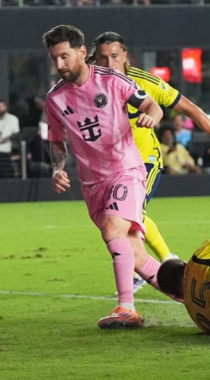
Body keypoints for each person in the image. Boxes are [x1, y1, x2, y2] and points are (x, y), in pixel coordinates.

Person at [89, 31, 210, 289]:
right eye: (102, 59)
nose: (109, 64)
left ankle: (159, 266)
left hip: (143, 162)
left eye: (114, 57)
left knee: (126, 215)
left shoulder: (143, 82)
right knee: (116, 219)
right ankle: (165, 263)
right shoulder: (87, 85)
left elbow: (191, 109)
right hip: (111, 167)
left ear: (126, 57)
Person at [43, 24, 166, 329]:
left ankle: (126, 308)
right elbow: (56, 142)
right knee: (136, 255)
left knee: (113, 229)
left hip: (126, 172)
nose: (59, 64)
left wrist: (152, 115)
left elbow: (150, 103)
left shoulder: (112, 81)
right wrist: (58, 168)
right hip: (92, 184)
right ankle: (190, 295)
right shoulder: (55, 99)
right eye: (54, 59)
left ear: (82, 53)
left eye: (65, 56)